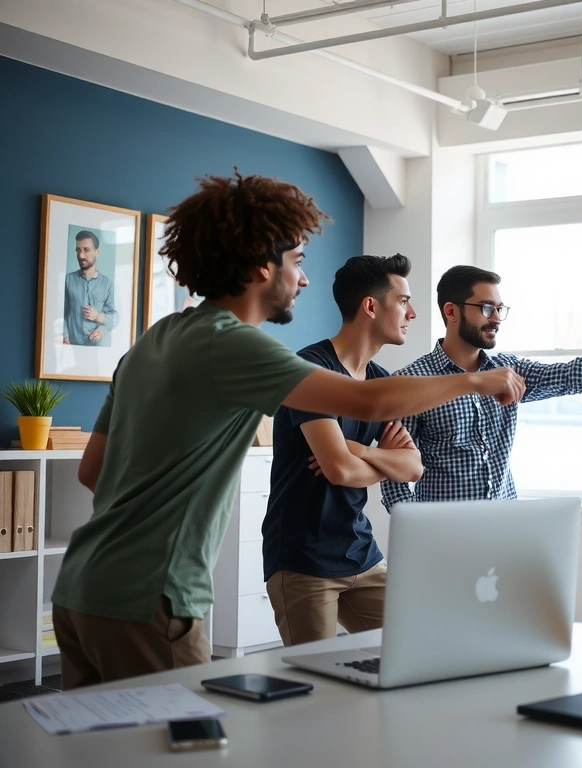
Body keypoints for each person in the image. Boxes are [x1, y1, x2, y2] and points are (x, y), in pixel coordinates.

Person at [50, 172, 525, 688]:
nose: (303, 280)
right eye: (297, 261)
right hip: (149, 595)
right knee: (184, 736)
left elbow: (93, 471)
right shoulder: (233, 344)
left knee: (102, 736)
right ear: (263, 266)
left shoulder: (155, 339)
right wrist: (475, 380)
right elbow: (367, 401)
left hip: (81, 585)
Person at [381, 265, 582, 510]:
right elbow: (393, 479)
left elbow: (572, 375)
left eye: (499, 309)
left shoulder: (508, 371)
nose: (496, 318)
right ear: (451, 311)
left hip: (507, 533)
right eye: (486, 308)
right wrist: (419, 533)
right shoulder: (410, 383)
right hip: (444, 540)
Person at [263, 254, 420, 644]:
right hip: (303, 558)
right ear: (371, 306)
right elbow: (339, 471)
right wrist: (377, 460)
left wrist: (361, 451)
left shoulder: (380, 383)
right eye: (403, 301)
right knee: (314, 674)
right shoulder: (311, 371)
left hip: (361, 552)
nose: (412, 313)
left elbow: (413, 466)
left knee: (412, 646)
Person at [63, 230, 118, 346]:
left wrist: (99, 324)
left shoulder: (108, 284)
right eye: (78, 249)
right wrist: (65, 335)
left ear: (97, 252)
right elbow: (61, 312)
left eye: (86, 250)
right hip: (70, 346)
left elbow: (115, 317)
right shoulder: (67, 280)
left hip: (98, 348)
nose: (80, 255)